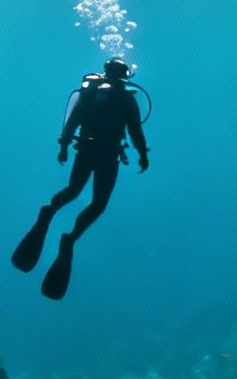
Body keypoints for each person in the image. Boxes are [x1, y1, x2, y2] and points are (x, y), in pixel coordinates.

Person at [12, 57, 150, 300]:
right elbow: (135, 130)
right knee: (98, 204)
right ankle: (71, 238)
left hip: (85, 150)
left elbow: (73, 121)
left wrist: (64, 147)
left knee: (72, 190)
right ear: (126, 75)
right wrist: (142, 155)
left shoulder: (90, 93)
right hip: (108, 155)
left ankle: (48, 212)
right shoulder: (127, 99)